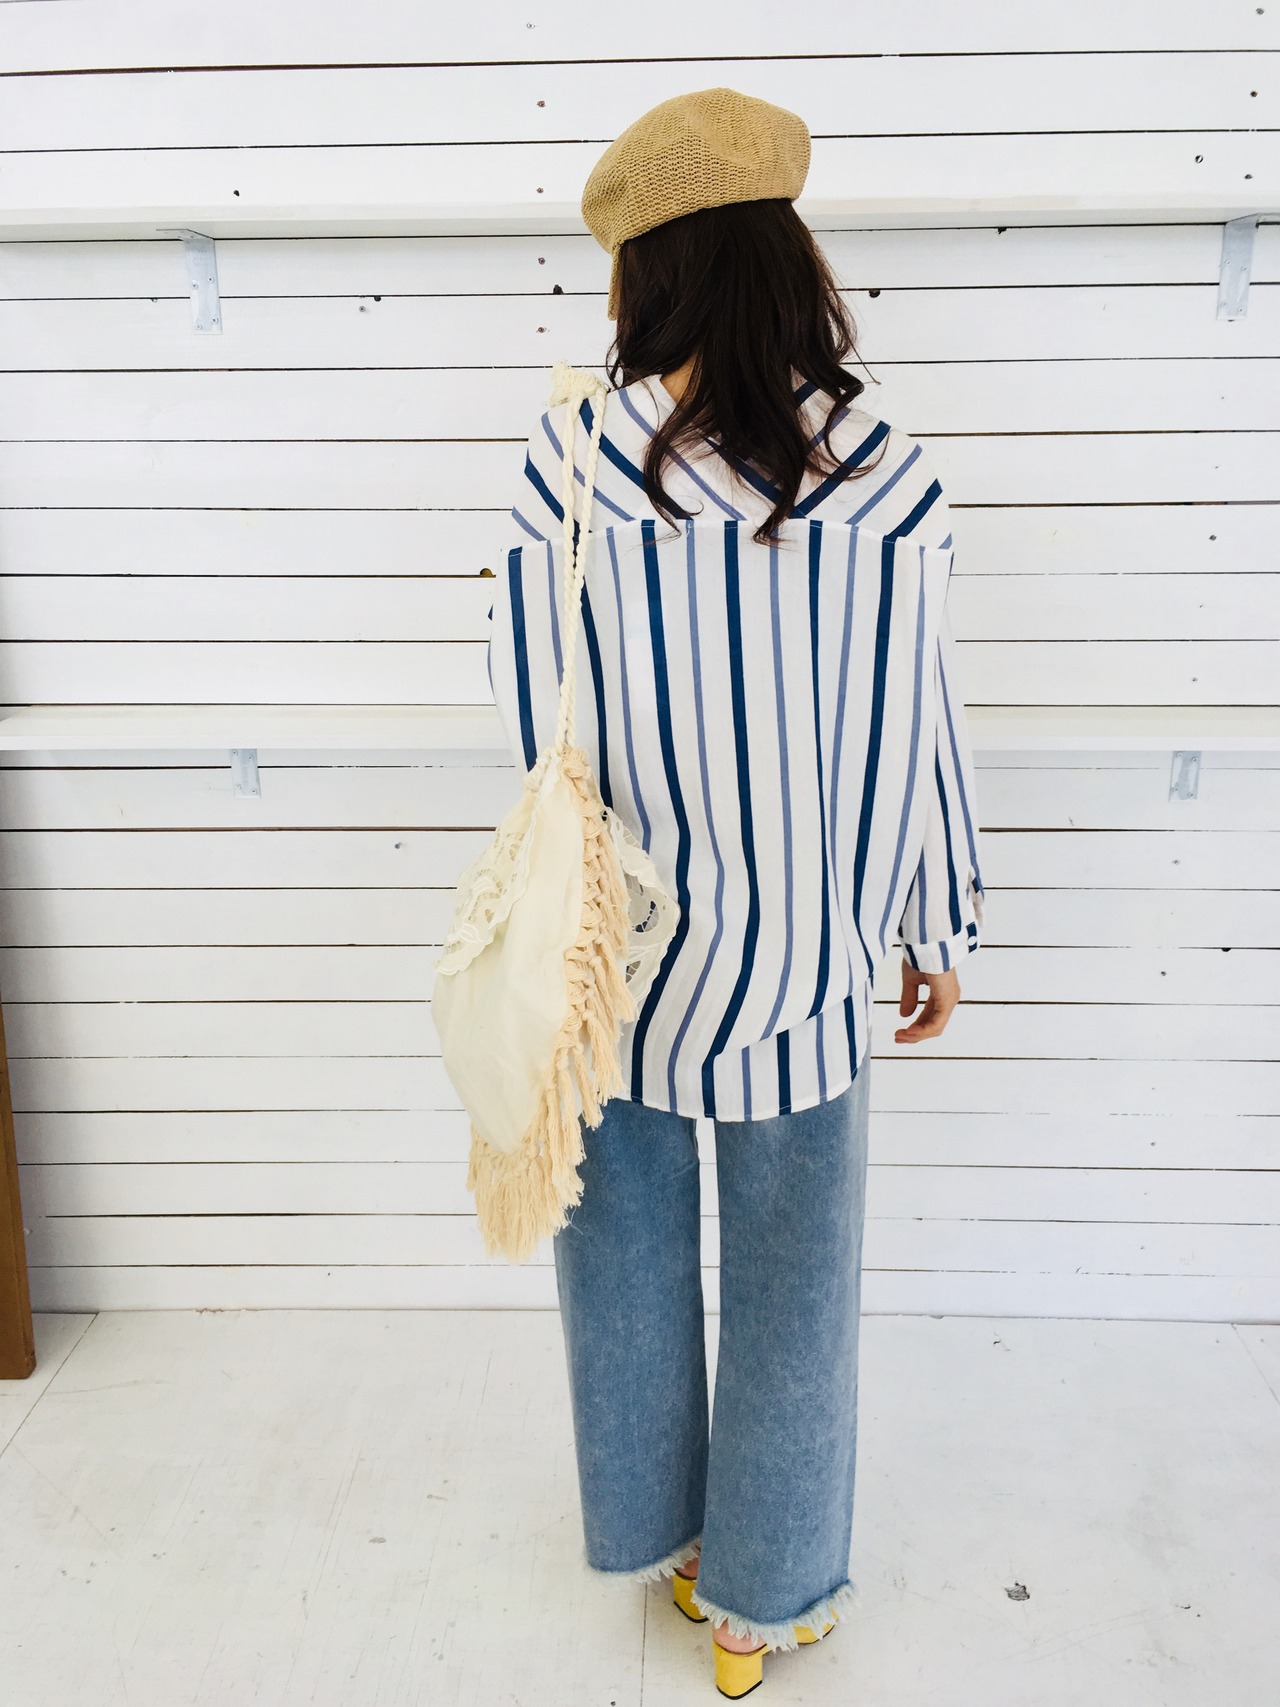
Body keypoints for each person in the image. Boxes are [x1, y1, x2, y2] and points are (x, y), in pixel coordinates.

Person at [485, 87, 986, 1700]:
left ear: (646, 275)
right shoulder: (889, 479)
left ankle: (661, 1539)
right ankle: (763, 1597)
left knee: (620, 1262)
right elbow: (922, 720)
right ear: (787, 258)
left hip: (612, 963)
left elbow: (533, 727)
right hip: (807, 962)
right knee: (796, 1280)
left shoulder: (571, 465)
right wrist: (935, 918)